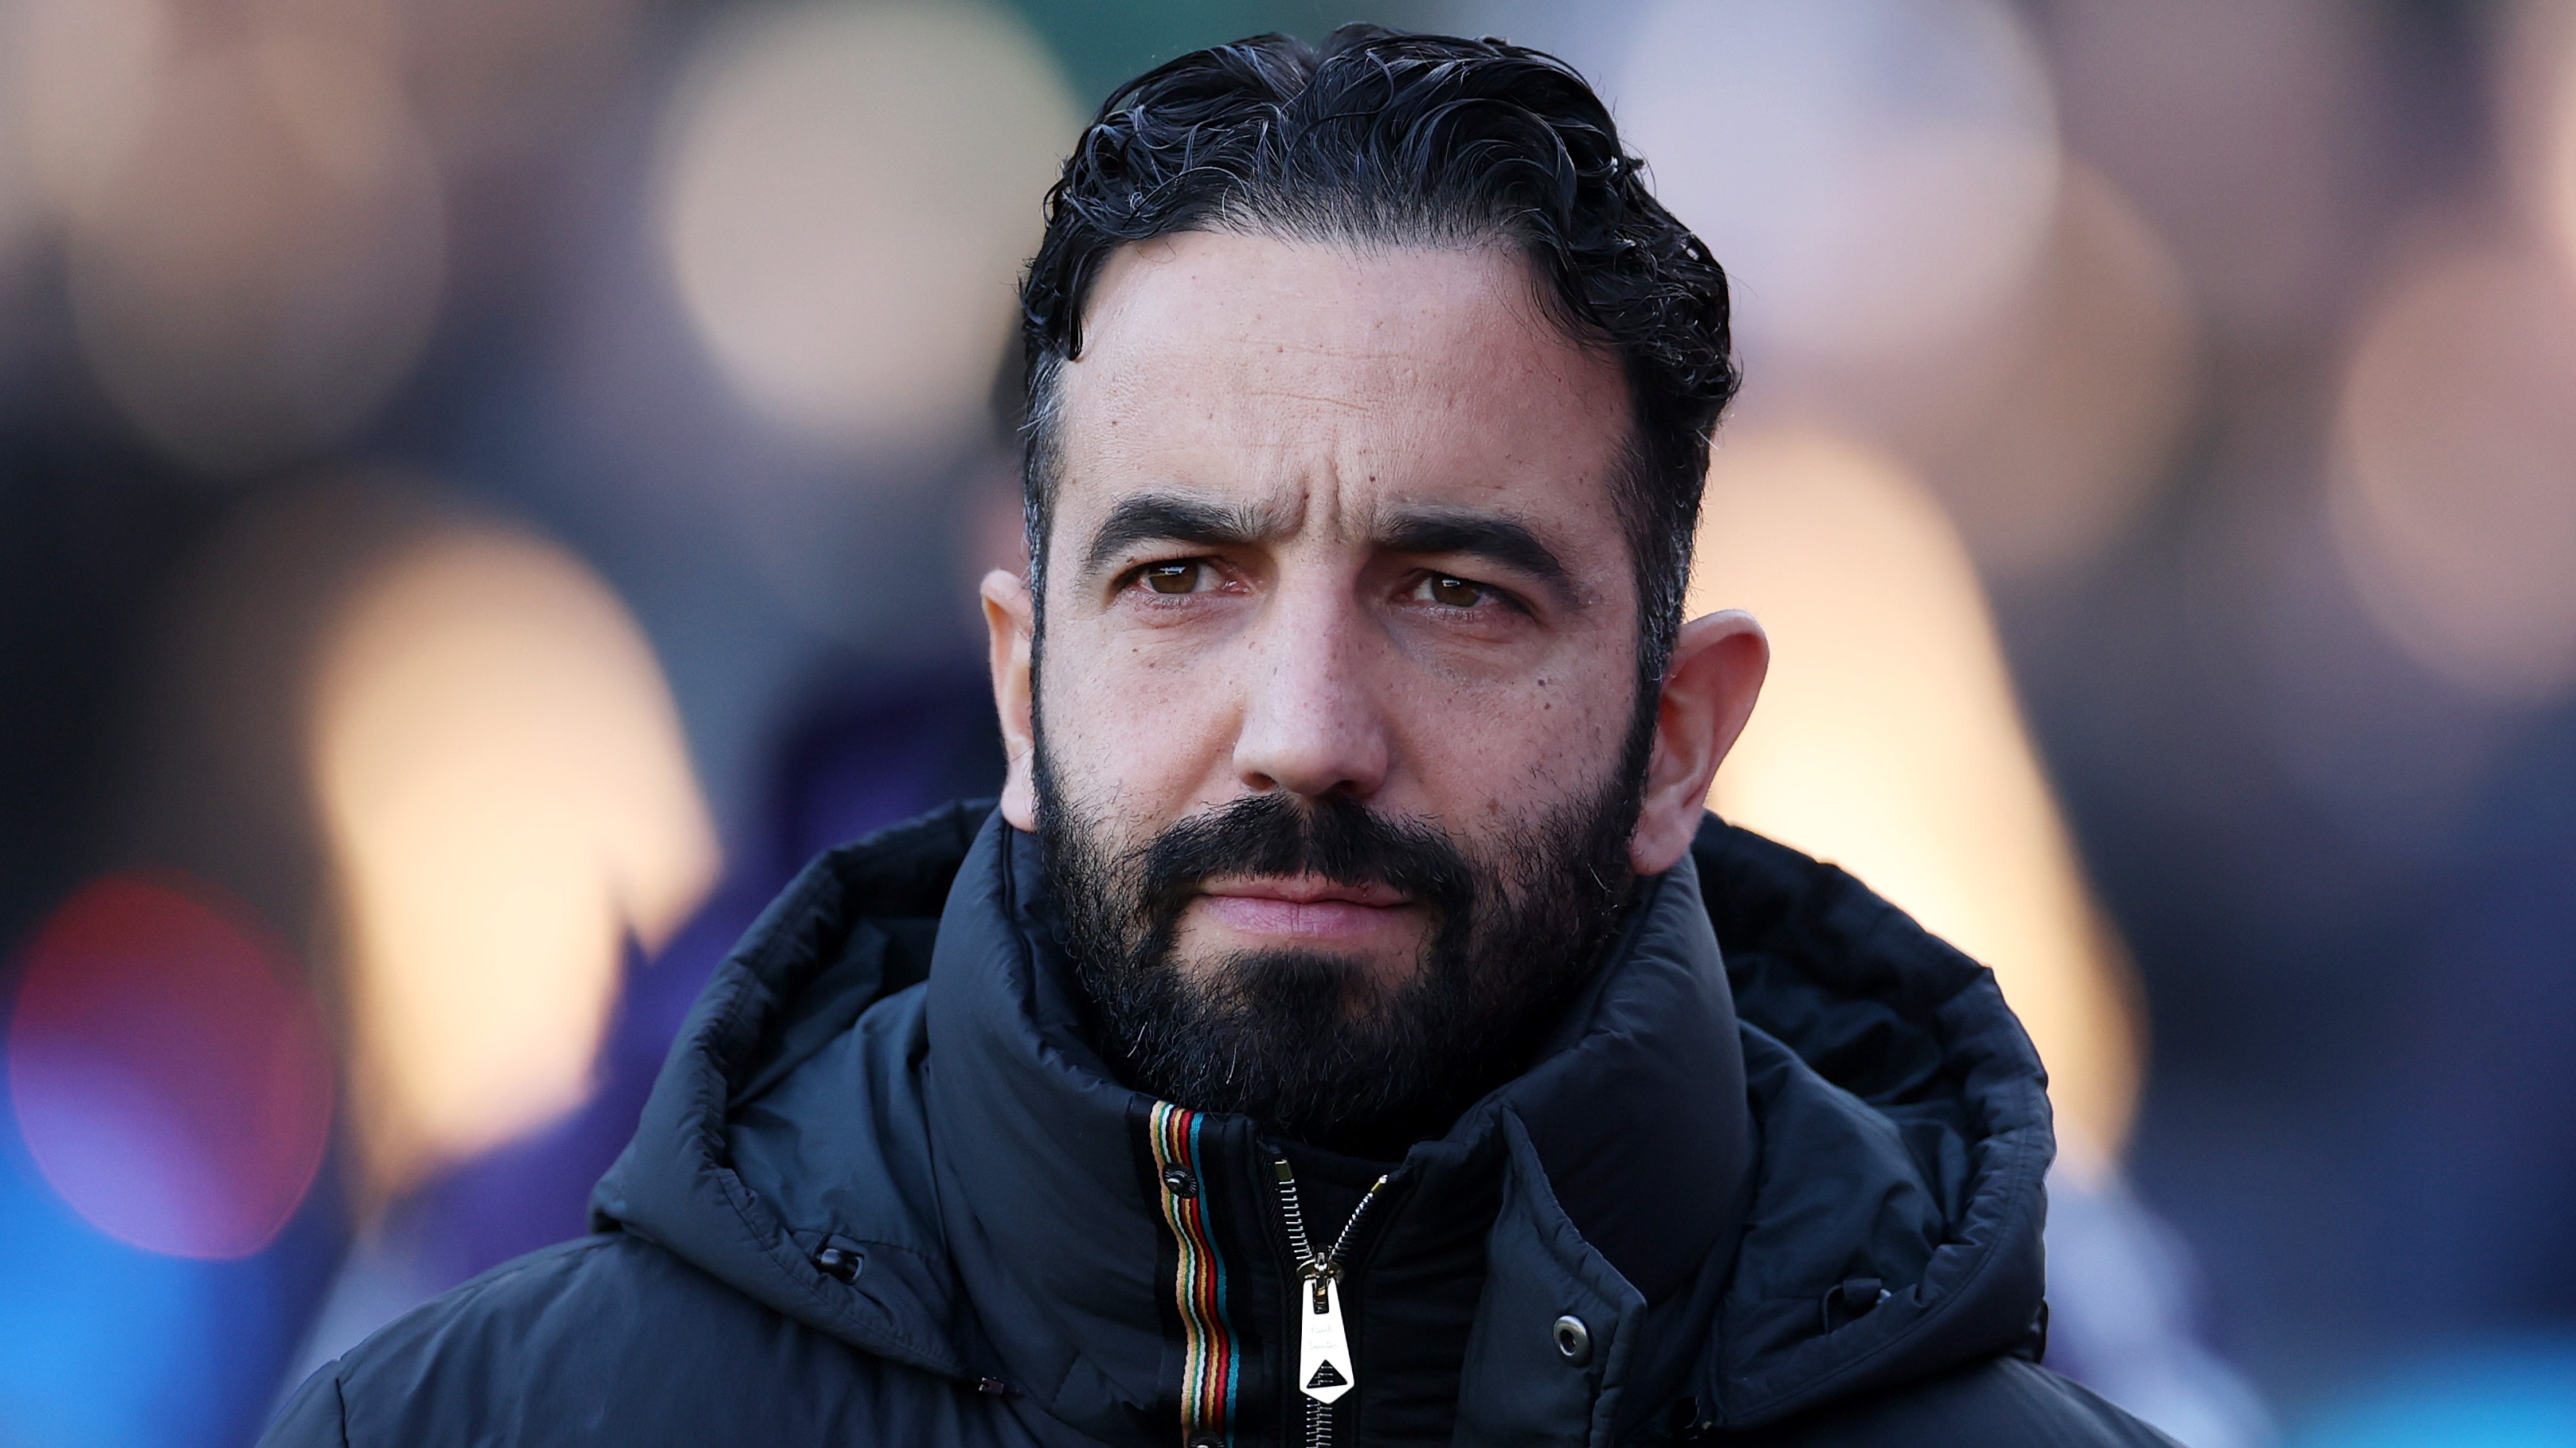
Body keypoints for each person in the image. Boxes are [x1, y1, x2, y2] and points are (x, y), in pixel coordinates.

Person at [263, 26, 2175, 1446]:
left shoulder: (2025, 1380)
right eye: (1184, 578)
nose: (1308, 734)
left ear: (1680, 733)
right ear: (1014, 678)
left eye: (1456, 593)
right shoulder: (482, 1412)